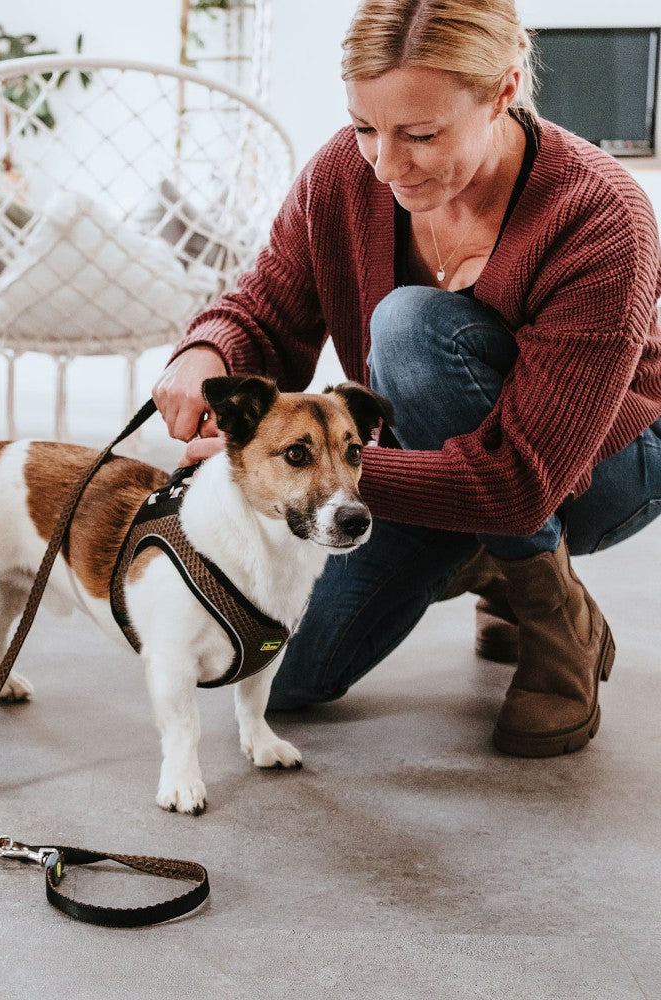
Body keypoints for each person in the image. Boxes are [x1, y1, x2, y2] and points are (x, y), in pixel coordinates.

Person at [151, 0, 661, 758]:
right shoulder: (343, 176)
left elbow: (526, 482)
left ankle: (557, 624)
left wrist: (332, 481)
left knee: (411, 327)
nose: (385, 166)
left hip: (597, 473)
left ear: (504, 92)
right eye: (365, 128)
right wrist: (209, 352)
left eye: (420, 135)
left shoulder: (600, 216)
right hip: (435, 460)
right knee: (270, 674)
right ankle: (482, 550)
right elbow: (266, 309)